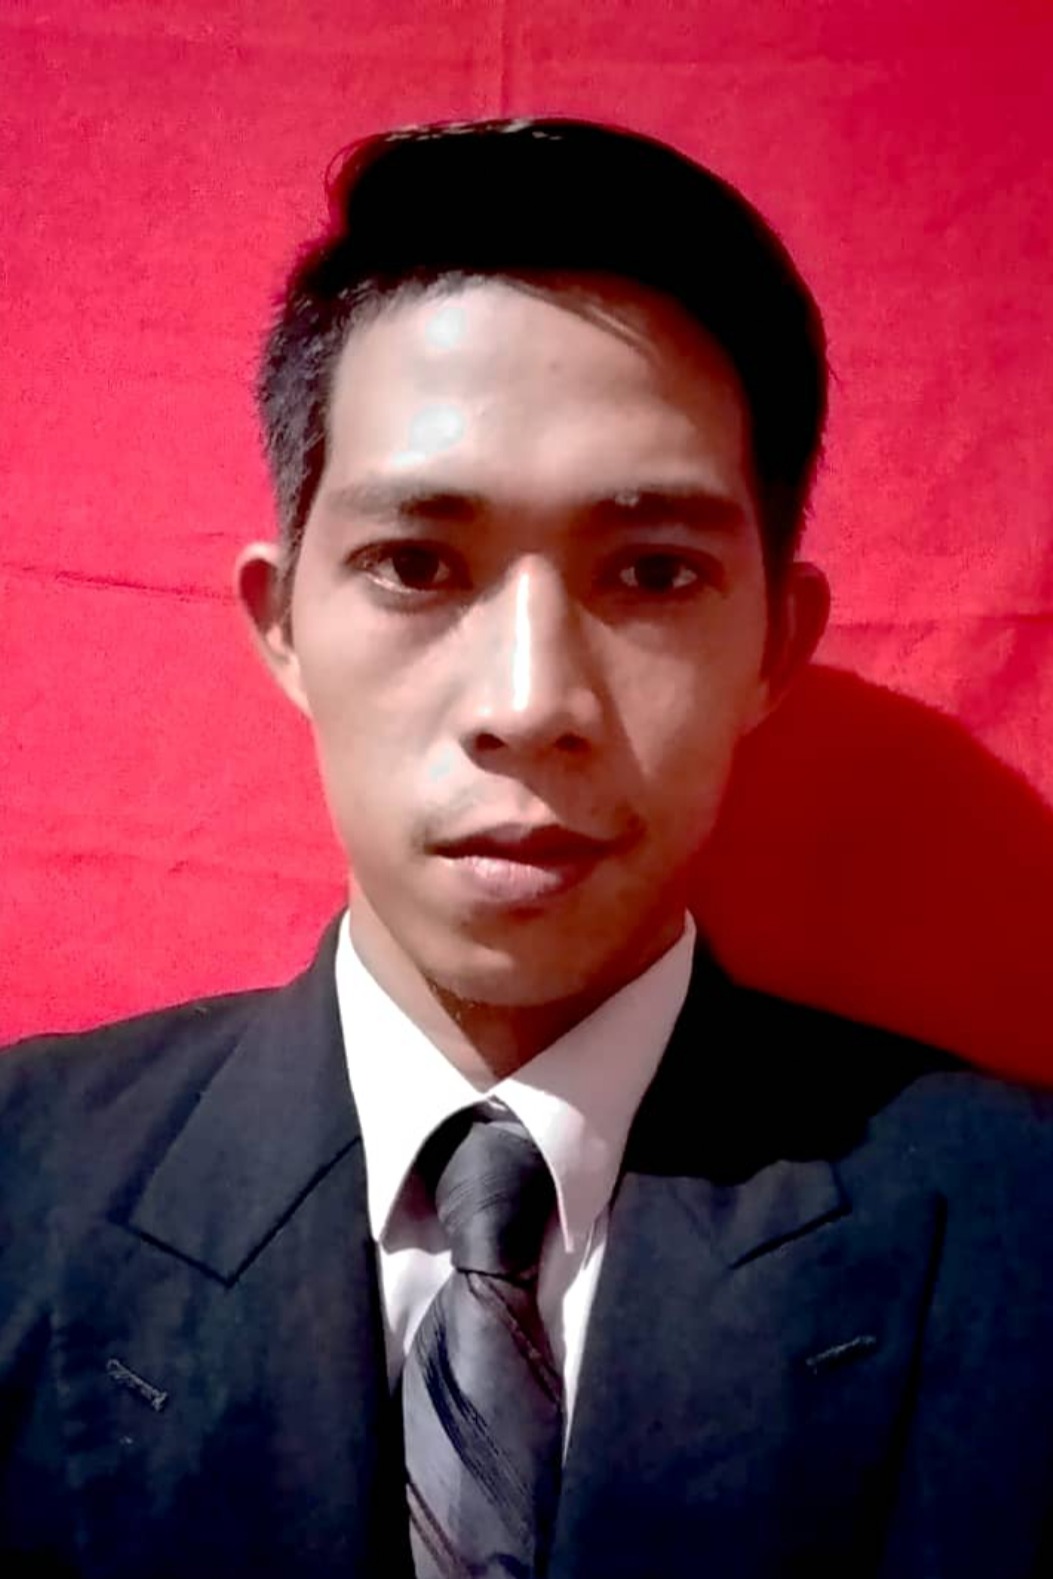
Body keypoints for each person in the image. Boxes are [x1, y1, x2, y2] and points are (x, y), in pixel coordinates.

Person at [2, 115, 1052, 1579]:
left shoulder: (1019, 1226)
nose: (529, 701)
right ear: (283, 624)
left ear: (775, 644)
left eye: (655, 573)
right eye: (415, 564)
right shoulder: (22, 1179)